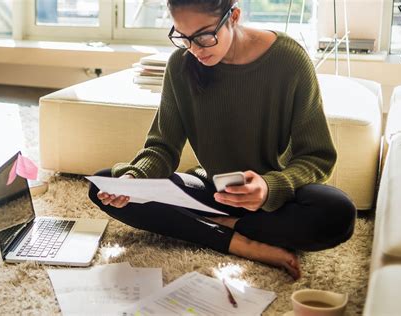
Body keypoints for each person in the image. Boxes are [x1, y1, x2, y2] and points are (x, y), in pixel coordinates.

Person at [88, 0, 356, 280]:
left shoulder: (289, 60)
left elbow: (317, 155)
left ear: (234, 16)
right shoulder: (180, 66)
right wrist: (134, 179)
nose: (194, 49)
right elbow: (162, 148)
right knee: (105, 183)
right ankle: (240, 242)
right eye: (183, 37)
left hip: (274, 200)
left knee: (337, 212)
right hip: (213, 190)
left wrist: (268, 186)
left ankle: (218, 226)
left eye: (204, 36)